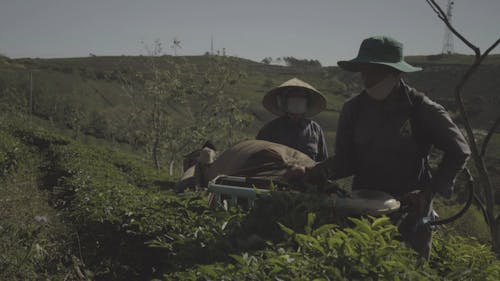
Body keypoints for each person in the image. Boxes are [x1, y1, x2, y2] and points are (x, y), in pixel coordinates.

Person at [287, 36, 471, 259]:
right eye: (364, 71)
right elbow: (346, 160)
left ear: (396, 73)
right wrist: (313, 172)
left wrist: (427, 192)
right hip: (364, 205)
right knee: (361, 261)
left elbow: (459, 150)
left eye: (374, 72)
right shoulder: (353, 109)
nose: (366, 79)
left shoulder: (422, 109)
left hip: (410, 209)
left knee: (408, 265)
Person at [257, 78, 328, 162]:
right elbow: (259, 160)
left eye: (301, 98)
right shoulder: (270, 129)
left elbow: (322, 161)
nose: (297, 101)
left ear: (307, 103)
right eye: (293, 97)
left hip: (309, 174)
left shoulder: (315, 130)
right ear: (284, 102)